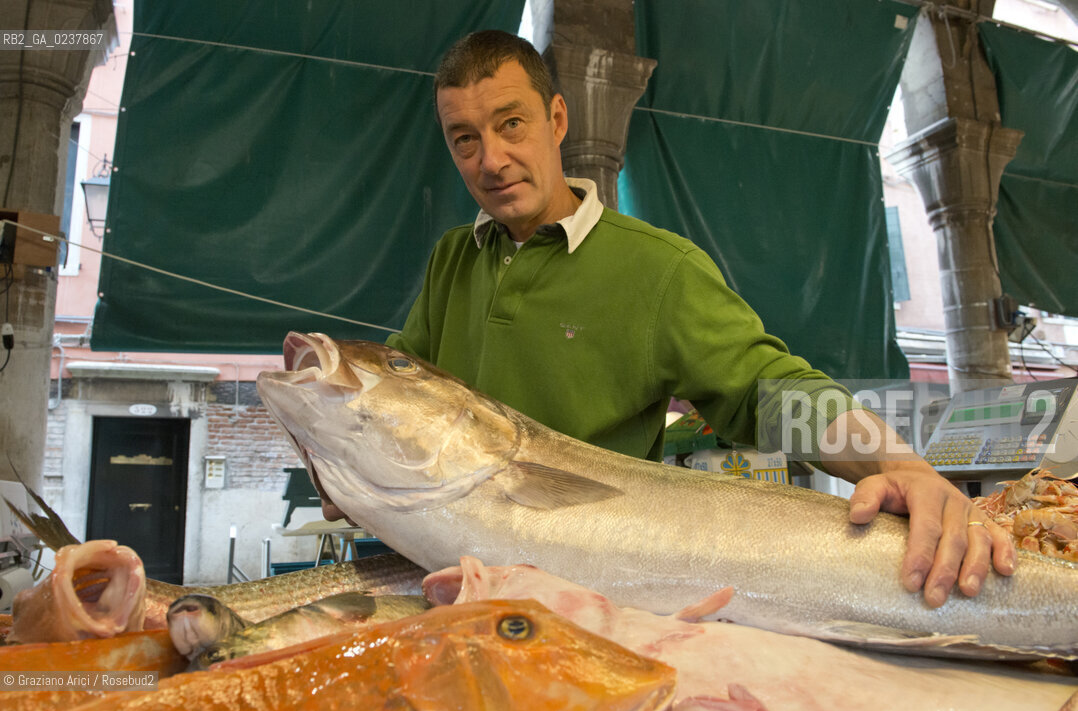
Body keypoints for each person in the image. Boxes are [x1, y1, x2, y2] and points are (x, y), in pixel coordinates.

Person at [322, 29, 1015, 608]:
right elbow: (400, 388)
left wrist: (897, 462)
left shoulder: (658, 269)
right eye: (465, 139)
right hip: (450, 577)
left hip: (597, 591)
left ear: (557, 120)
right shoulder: (454, 259)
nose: (492, 159)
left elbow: (766, 389)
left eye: (511, 124)